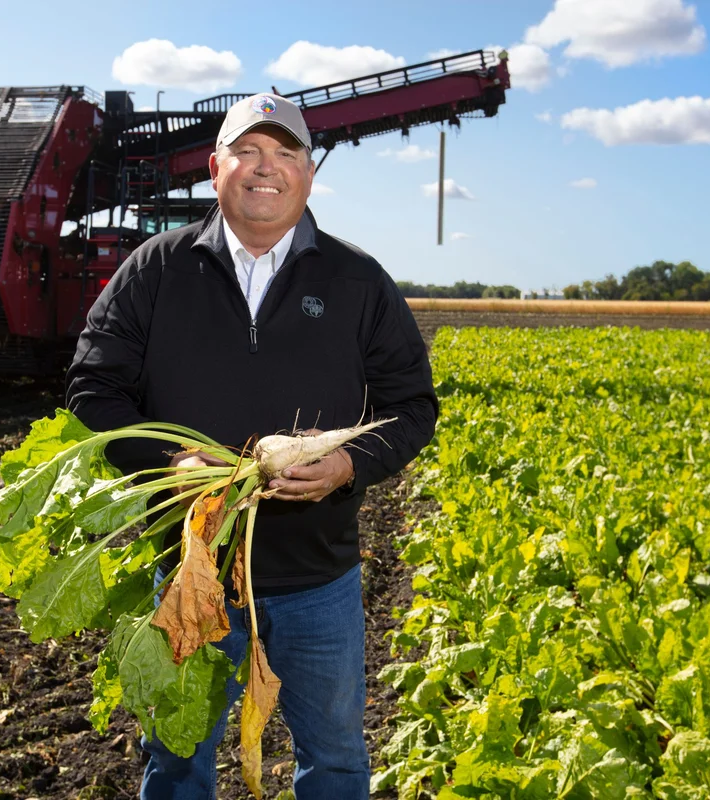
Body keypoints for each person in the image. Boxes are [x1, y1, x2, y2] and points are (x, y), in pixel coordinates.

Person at [65, 93, 437, 800]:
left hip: (316, 582)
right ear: (216, 168)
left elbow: (411, 407)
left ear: (308, 172)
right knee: (177, 761)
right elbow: (93, 388)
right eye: (248, 152)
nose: (266, 169)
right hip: (189, 574)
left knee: (334, 762)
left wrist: (348, 465)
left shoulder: (358, 281)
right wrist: (171, 464)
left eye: (285, 153)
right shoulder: (156, 269)